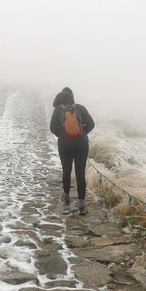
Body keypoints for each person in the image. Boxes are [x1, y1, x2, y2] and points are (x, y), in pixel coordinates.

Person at [50, 87, 95, 215]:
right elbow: (91, 124)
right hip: (81, 144)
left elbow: (52, 128)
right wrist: (81, 133)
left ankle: (67, 196)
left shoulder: (58, 110)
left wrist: (63, 135)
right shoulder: (80, 108)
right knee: (80, 173)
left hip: (65, 145)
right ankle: (81, 202)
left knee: (66, 170)